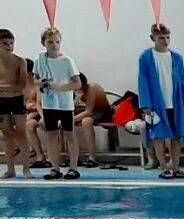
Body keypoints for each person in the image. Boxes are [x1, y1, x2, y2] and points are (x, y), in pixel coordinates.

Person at [137, 23, 184, 180]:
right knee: (158, 136)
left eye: (168, 37)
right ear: (152, 38)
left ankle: (176, 167)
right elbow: (143, 81)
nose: (165, 40)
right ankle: (163, 168)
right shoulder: (146, 57)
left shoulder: (177, 58)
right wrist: (146, 104)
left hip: (176, 102)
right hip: (157, 104)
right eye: (161, 38)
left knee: (177, 136)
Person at [34, 27, 83, 180]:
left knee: (70, 134)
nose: (54, 45)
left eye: (57, 42)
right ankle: (55, 168)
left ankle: (73, 168)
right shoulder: (39, 60)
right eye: (50, 42)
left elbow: (77, 84)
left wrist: (61, 87)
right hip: (49, 103)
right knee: (51, 136)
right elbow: (34, 80)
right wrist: (41, 83)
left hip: (65, 104)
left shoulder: (67, 61)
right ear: (44, 43)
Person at [0, 29, 31, 179]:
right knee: (6, 134)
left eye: (11, 43)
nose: (9, 46)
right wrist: (7, 87)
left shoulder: (20, 61)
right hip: (1, 102)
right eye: (5, 43)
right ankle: (10, 169)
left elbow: (21, 85)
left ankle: (26, 168)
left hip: (17, 100)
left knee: (21, 132)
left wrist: (3, 87)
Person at [73, 75, 111, 168]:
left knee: (86, 122)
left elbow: (88, 111)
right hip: (91, 111)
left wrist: (72, 119)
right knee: (64, 120)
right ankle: (74, 157)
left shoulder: (91, 88)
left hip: (103, 112)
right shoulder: (76, 91)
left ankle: (92, 157)